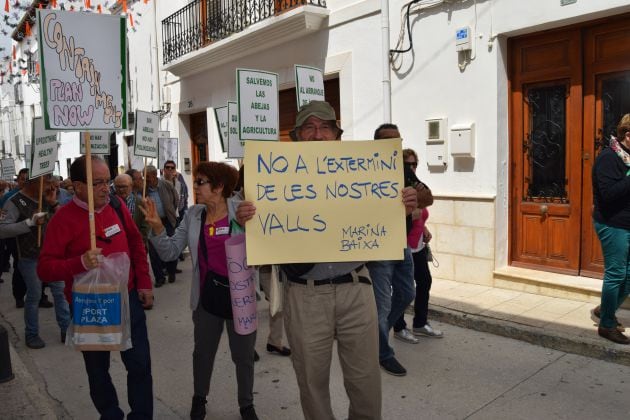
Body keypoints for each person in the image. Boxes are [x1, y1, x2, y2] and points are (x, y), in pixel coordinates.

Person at [236, 101, 418, 420]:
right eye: (309, 127)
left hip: (357, 288)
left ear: (336, 134)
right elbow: (257, 233)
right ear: (297, 136)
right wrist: (245, 218)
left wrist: (403, 205)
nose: (318, 134)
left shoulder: (362, 168)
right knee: (312, 384)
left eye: (325, 127)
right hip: (304, 295)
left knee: (366, 385)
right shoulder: (274, 175)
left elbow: (390, 222)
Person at [37, 155, 153, 418]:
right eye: (98, 182)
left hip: (127, 298)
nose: (105, 188)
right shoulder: (63, 219)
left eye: (108, 181)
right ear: (77, 186)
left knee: (140, 365)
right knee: (97, 371)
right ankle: (110, 413)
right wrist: (78, 263)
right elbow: (44, 268)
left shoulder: (117, 205)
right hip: (89, 305)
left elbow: (136, 242)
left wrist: (144, 283)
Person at [142, 161, 259, 420]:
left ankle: (246, 405)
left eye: (200, 182)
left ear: (218, 187)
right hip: (207, 298)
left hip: (241, 297)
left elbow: (262, 248)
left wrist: (248, 224)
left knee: (244, 357)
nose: (194, 186)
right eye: (196, 181)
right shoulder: (193, 215)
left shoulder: (242, 211)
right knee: (203, 354)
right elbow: (171, 251)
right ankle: (199, 398)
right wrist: (158, 228)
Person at [365, 123, 417, 376]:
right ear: (376, 142)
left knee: (407, 293)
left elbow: (427, 196)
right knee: (382, 304)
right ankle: (382, 352)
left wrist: (414, 197)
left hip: (402, 243)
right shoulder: (364, 167)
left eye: (398, 140)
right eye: (388, 140)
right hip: (378, 245)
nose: (394, 144)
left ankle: (377, 333)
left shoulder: (405, 169)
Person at [0, 174, 69, 349]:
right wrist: (29, 223)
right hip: (29, 256)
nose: (51, 186)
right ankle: (31, 334)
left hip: (53, 255)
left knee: (60, 292)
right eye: (46, 182)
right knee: (34, 295)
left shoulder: (47, 198)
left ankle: (66, 329)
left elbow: (63, 220)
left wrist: (53, 203)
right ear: (34, 183)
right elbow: (3, 229)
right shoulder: (15, 201)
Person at [393, 148, 443, 342]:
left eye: (415, 164)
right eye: (408, 165)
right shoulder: (397, 186)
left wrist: (424, 229)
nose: (412, 168)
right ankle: (399, 327)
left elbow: (422, 211)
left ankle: (420, 323)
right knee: (403, 290)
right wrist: (406, 215)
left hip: (418, 246)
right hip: (403, 246)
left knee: (425, 282)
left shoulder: (416, 186)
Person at [591, 114, 630, 344]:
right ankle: (606, 325)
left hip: (627, 224)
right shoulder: (609, 158)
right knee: (616, 274)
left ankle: (605, 309)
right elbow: (608, 195)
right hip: (612, 224)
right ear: (627, 134)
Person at [145, 165, 179, 287]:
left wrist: (171, 212)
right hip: (153, 223)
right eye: (145, 177)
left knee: (171, 245)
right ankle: (159, 277)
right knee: (153, 251)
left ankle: (171, 271)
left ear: (154, 175)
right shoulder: (144, 189)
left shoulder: (166, 185)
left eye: (148, 177)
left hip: (167, 221)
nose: (147, 180)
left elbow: (176, 200)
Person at [114, 173, 150, 251]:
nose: (120, 189)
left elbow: (146, 226)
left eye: (124, 186)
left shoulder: (141, 203)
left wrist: (138, 241)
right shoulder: (109, 203)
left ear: (131, 186)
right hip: (117, 246)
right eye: (118, 187)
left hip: (136, 246)